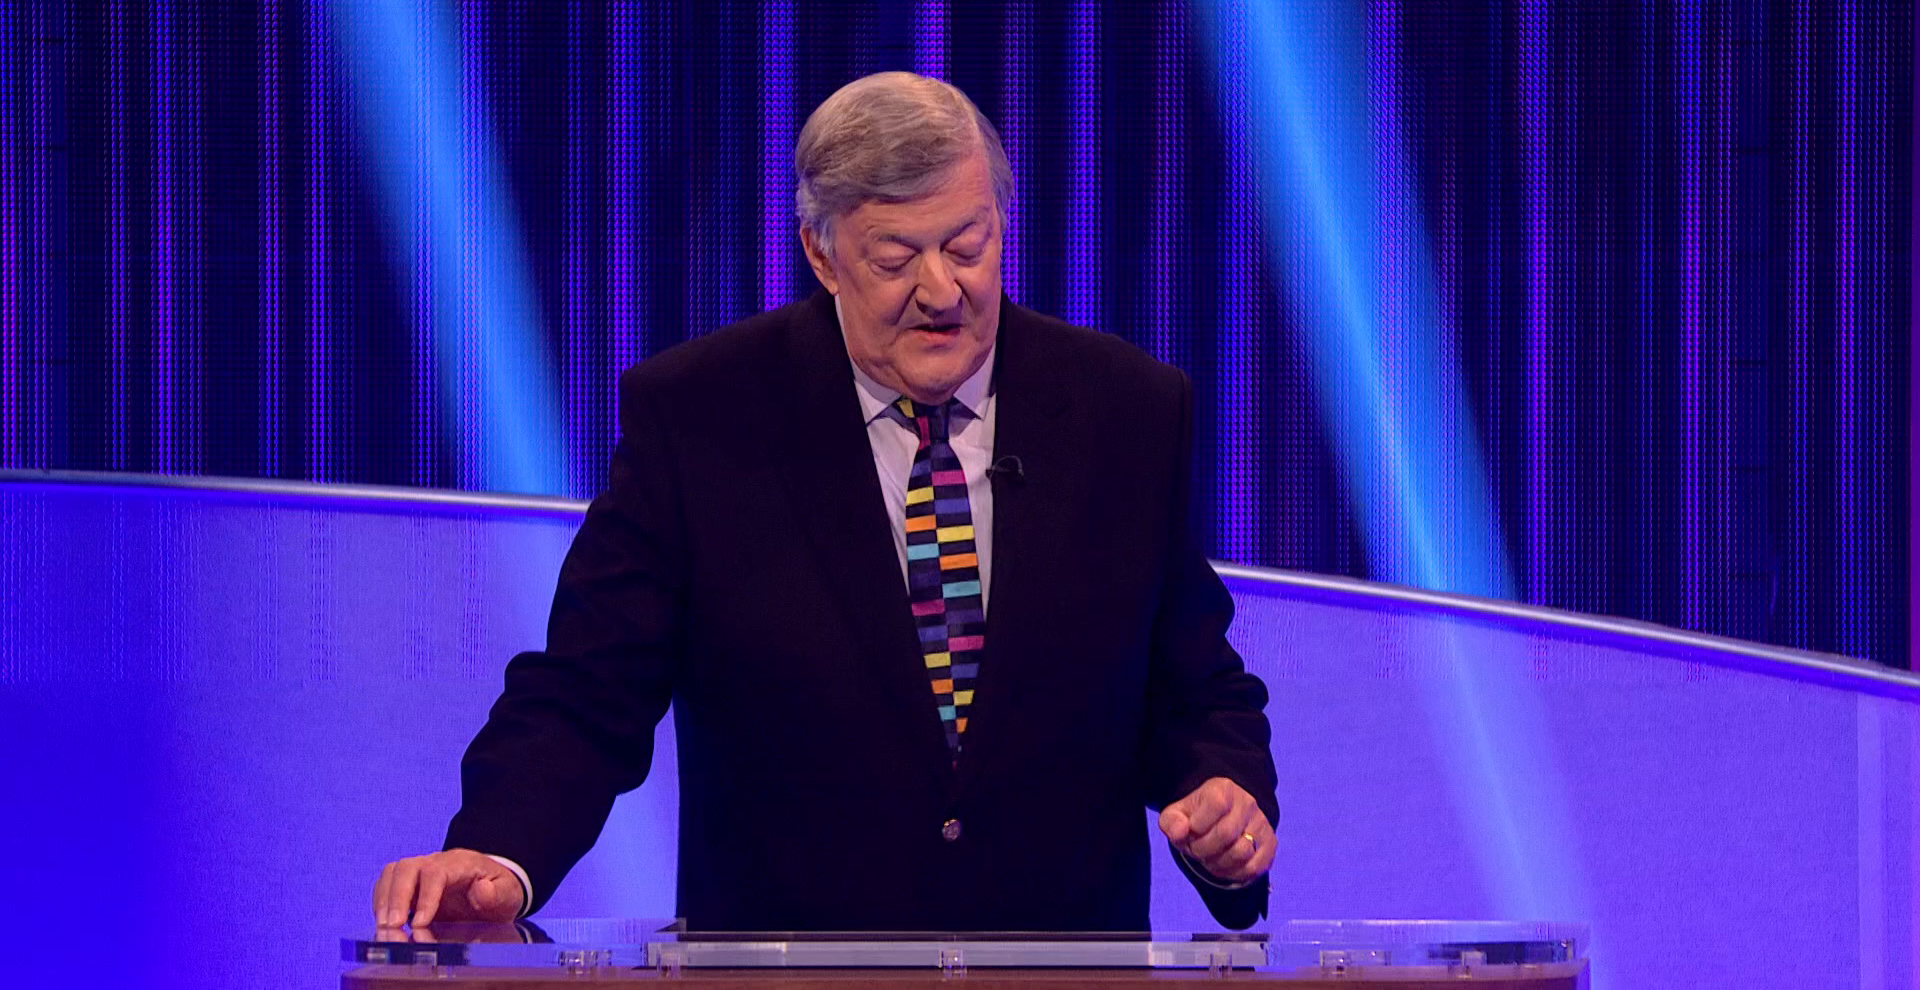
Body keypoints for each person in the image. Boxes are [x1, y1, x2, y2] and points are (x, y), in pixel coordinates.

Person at [373, 72, 1278, 932]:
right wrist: (498, 851)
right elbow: (588, 688)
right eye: (896, 258)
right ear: (822, 252)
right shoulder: (703, 417)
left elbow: (1193, 684)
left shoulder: (1127, 411)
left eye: (968, 246)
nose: (942, 290)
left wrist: (1225, 797)